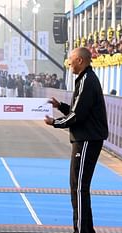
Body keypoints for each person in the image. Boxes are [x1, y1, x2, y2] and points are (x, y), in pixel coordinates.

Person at [44, 47, 108, 233]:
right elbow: (77, 110)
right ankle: (86, 229)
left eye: (71, 59)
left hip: (87, 139)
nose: (69, 63)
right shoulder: (85, 79)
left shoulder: (87, 81)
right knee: (78, 186)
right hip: (86, 138)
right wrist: (60, 106)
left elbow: (77, 115)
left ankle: (81, 230)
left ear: (80, 60)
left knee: (79, 187)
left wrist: (55, 123)